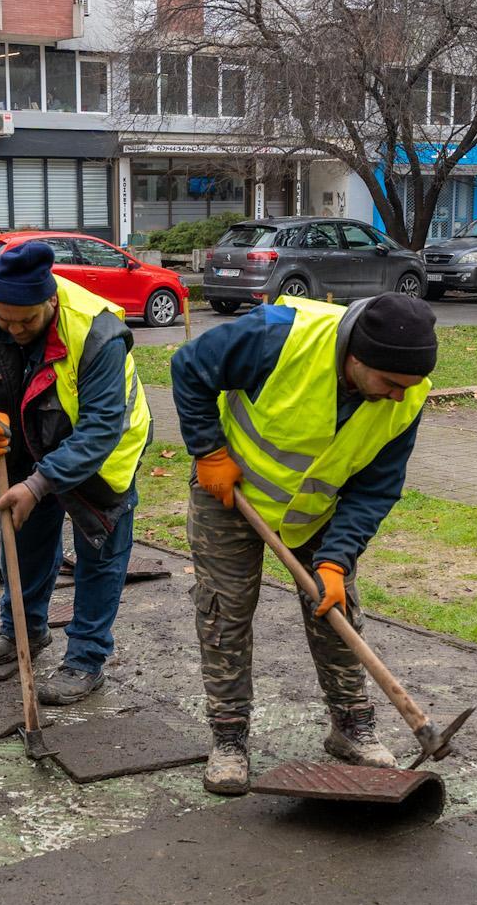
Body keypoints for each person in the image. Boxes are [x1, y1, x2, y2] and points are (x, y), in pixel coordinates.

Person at [170, 294, 437, 794]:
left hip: (318, 507)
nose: (400, 396)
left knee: (336, 607)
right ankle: (228, 739)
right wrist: (207, 450)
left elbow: (376, 486)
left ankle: (352, 727)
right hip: (230, 490)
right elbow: (189, 366)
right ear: (356, 358)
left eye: (410, 386)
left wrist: (337, 559)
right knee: (224, 612)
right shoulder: (277, 336)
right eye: (391, 384)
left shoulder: (407, 398)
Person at [0, 240, 152, 704]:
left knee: (99, 553)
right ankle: (24, 632)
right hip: (24, 441)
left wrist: (39, 484)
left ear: (50, 300)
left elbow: (100, 427)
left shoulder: (97, 331)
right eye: (5, 319)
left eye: (26, 321)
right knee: (24, 540)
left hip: (100, 455)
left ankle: (85, 660)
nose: (13, 330)